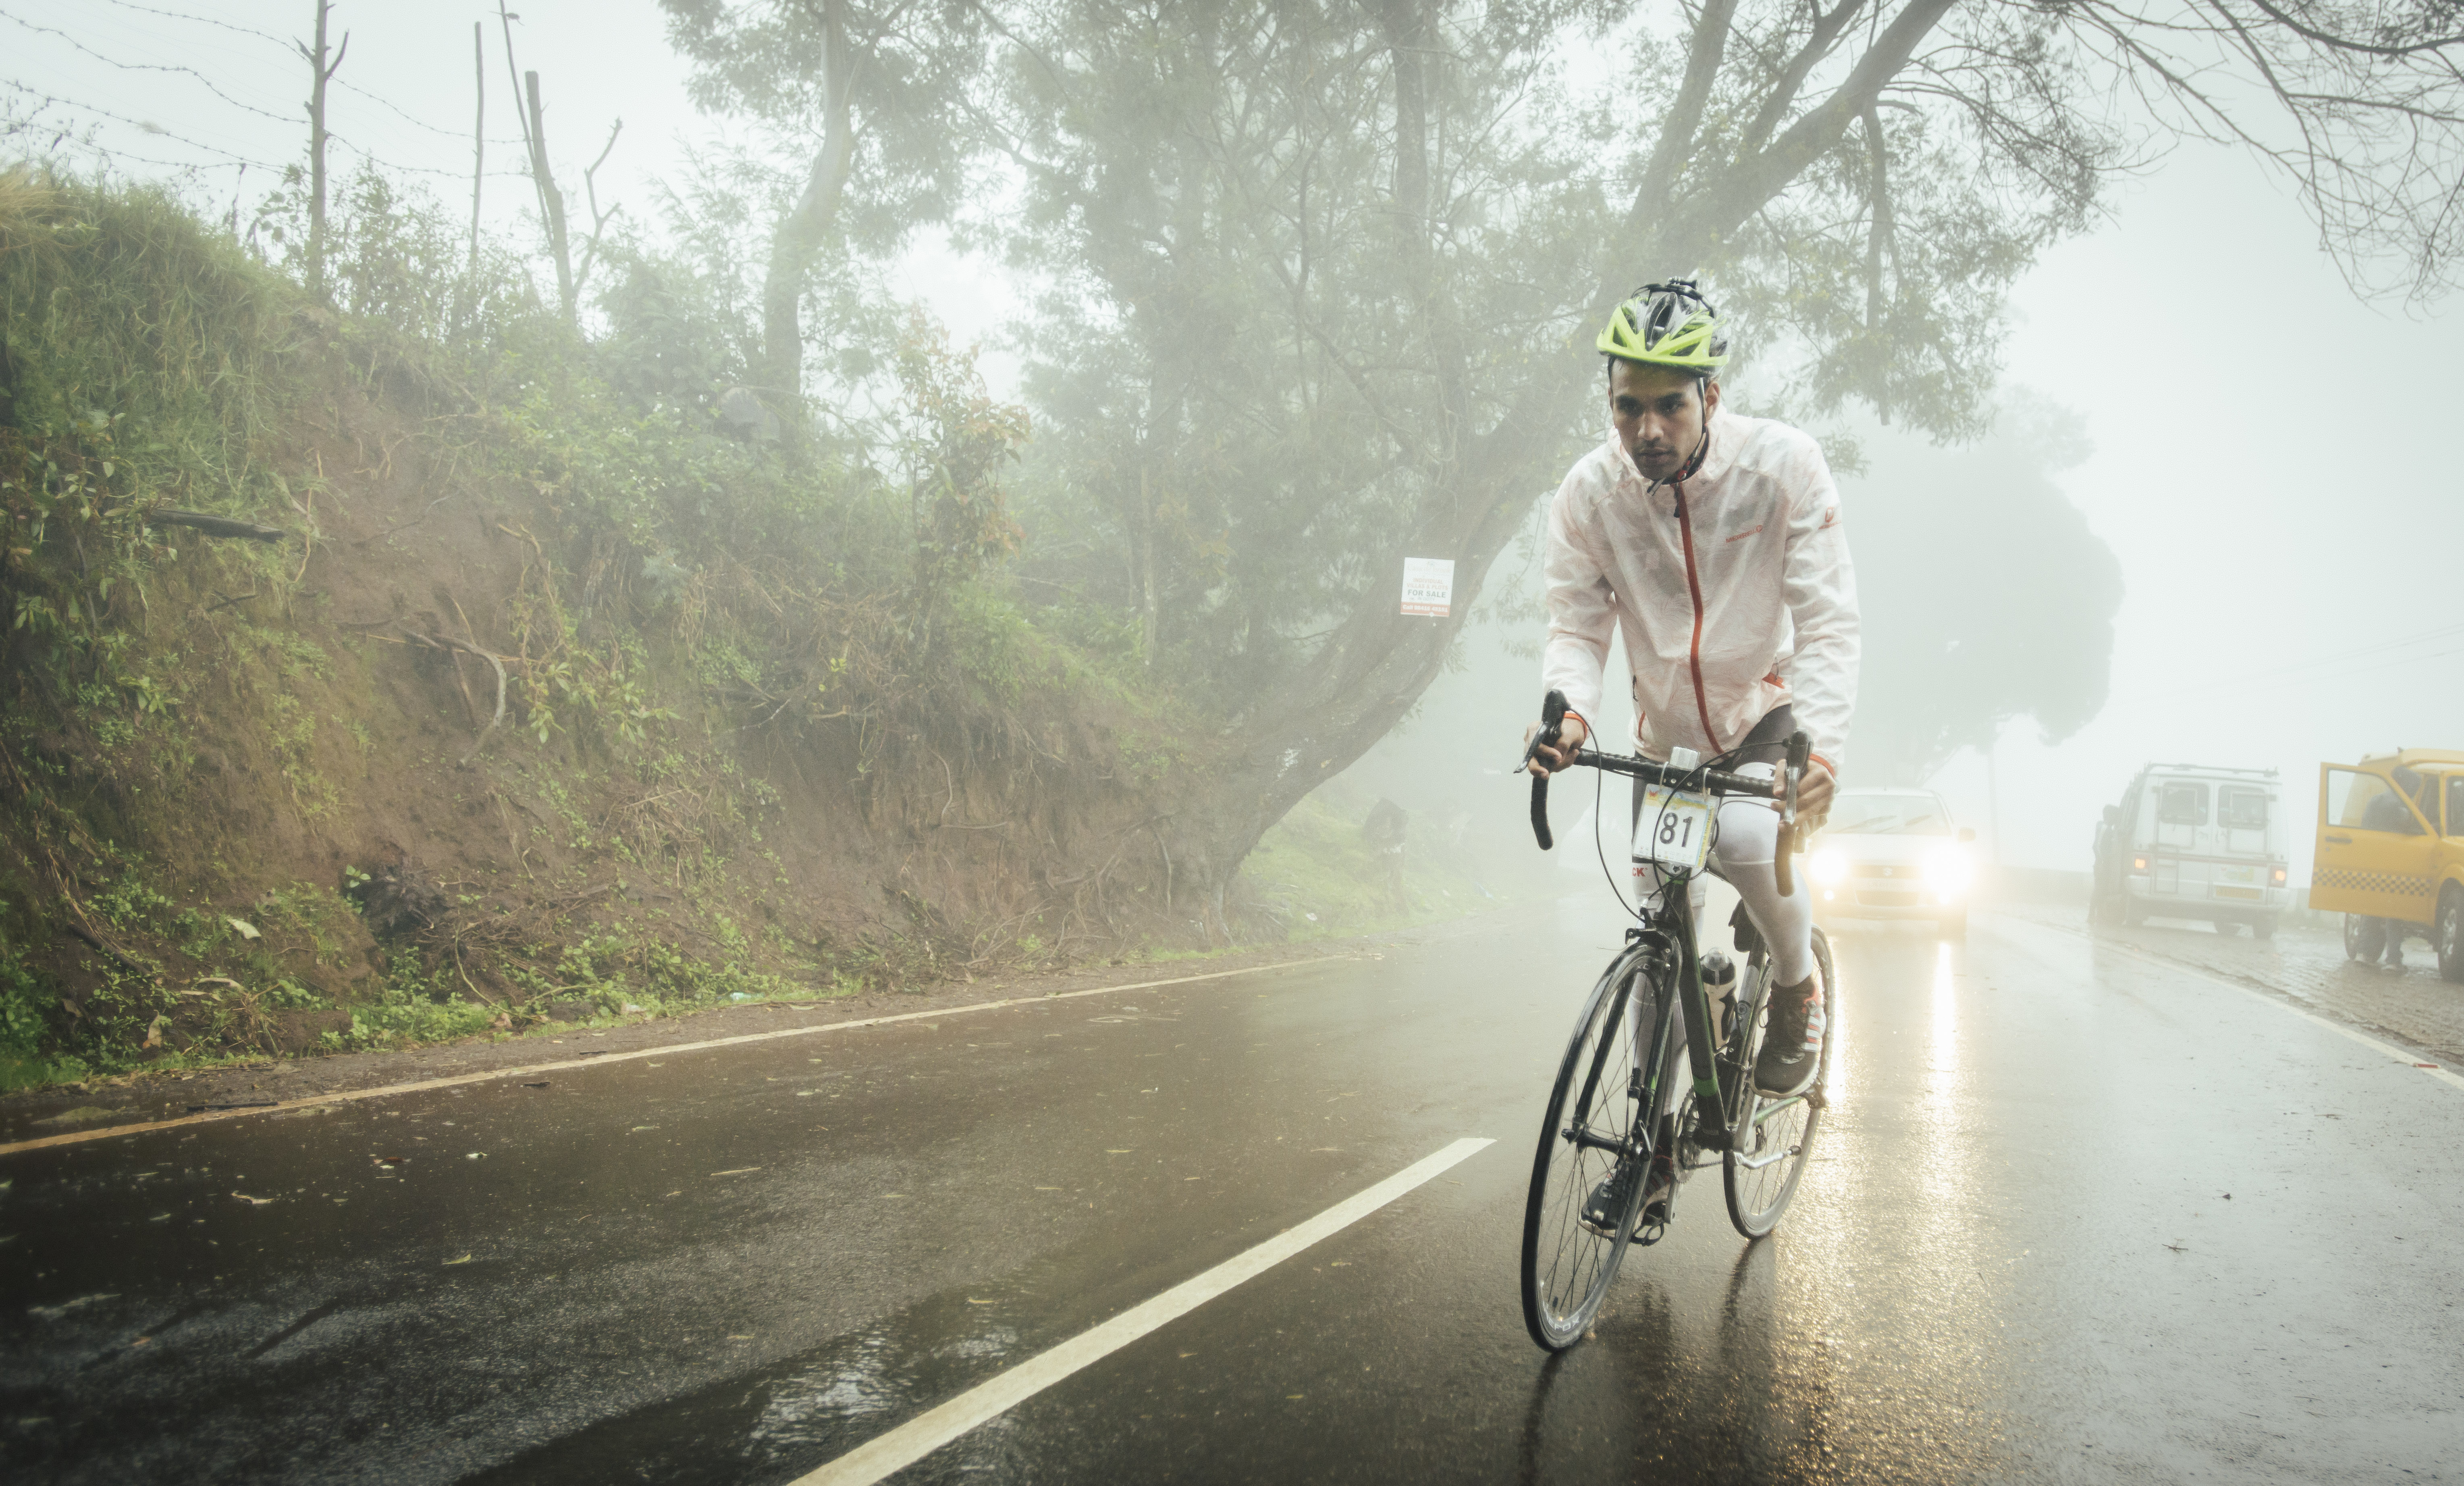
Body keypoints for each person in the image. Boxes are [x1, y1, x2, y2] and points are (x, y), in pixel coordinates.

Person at [1524, 280, 1859, 1226]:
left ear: (1712, 395)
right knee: (1659, 930)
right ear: (1610, 403)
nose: (1648, 429)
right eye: (1627, 406)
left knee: (1749, 839)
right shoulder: (1589, 495)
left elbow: (1830, 624)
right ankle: (1653, 1146)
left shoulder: (1783, 467)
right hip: (1665, 735)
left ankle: (1794, 987)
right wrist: (1571, 716)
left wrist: (1820, 753)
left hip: (1765, 711)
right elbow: (1576, 624)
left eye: (1670, 404)